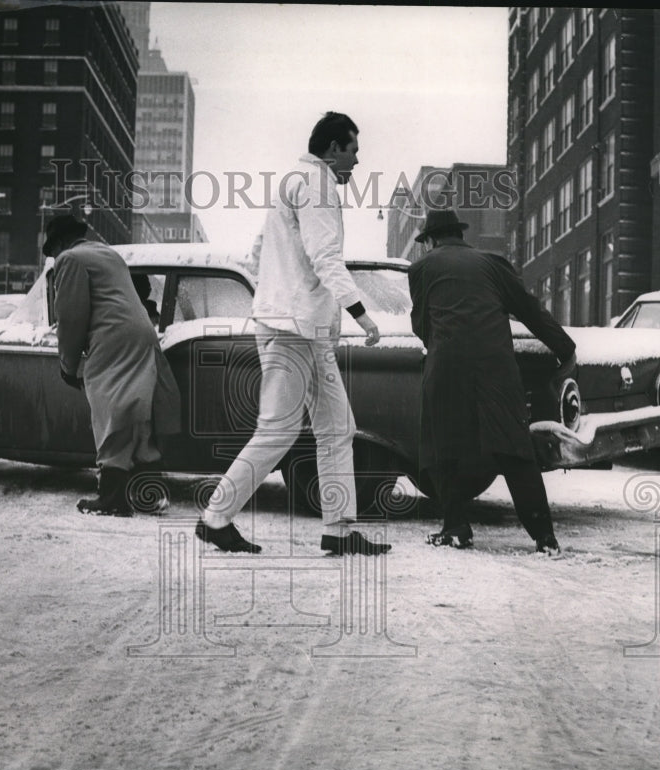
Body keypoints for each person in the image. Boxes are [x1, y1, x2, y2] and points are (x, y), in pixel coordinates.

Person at [195, 111, 389, 557]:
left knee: (338, 427)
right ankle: (215, 516)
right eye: (353, 150)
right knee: (280, 430)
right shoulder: (317, 185)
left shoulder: (291, 182)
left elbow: (258, 252)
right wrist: (363, 314)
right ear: (333, 148)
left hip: (298, 326)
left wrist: (273, 298)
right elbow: (325, 257)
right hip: (294, 329)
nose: (357, 162)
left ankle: (339, 530)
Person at [408, 209, 576, 556]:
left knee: (443, 449)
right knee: (515, 450)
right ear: (459, 234)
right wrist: (566, 350)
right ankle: (545, 538)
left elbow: (421, 326)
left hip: (447, 368)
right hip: (496, 369)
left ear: (432, 240)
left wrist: (444, 339)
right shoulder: (493, 264)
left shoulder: (421, 269)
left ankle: (455, 528)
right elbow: (531, 311)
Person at [45, 214, 180, 516]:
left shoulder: (70, 259)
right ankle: (151, 494)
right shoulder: (108, 253)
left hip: (112, 338)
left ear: (61, 243)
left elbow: (70, 318)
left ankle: (112, 498)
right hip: (142, 335)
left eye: (52, 249)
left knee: (111, 412)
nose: (53, 256)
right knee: (137, 413)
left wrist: (67, 366)